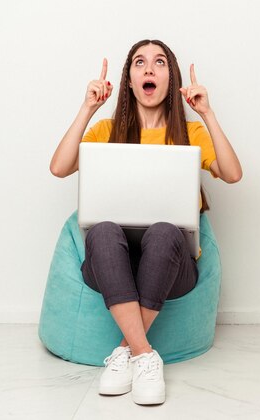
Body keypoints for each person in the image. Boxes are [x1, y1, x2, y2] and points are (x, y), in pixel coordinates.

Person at [49, 39, 242, 405]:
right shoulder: (106, 132)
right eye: (139, 63)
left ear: (171, 79)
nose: (149, 69)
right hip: (109, 265)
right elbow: (59, 167)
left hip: (173, 268)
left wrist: (208, 114)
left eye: (159, 63)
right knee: (103, 230)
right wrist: (87, 108)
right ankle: (144, 355)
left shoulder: (191, 134)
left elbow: (232, 174)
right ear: (129, 80)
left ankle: (127, 351)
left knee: (165, 231)